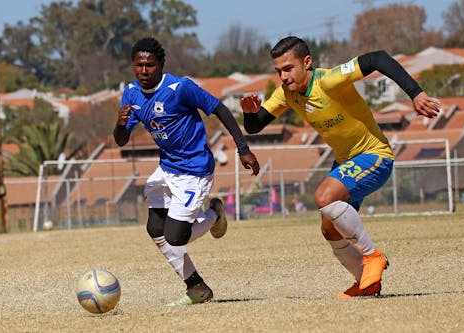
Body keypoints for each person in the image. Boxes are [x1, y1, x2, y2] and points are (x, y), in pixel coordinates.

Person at [240, 36, 440, 299]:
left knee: (323, 196)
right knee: (329, 228)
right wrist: (248, 112)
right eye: (278, 71)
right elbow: (254, 127)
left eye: (288, 68)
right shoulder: (286, 95)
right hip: (346, 162)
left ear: (307, 62)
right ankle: (366, 285)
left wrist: (416, 94)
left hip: (374, 156)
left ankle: (373, 256)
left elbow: (378, 57)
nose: (283, 77)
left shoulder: (329, 80)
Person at [114, 37, 260, 305]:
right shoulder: (131, 93)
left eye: (150, 65)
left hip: (194, 170)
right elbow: (121, 140)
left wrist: (242, 148)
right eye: (138, 65)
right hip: (166, 168)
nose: (143, 71)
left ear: (161, 64)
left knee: (175, 237)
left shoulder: (180, 87)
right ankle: (196, 288)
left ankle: (214, 215)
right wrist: (121, 125)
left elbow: (221, 109)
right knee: (155, 228)